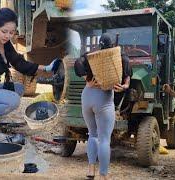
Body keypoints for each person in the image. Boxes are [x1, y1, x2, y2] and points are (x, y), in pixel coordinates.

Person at [74, 33, 130, 180]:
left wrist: (87, 80)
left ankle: (91, 170)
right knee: (104, 139)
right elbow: (126, 81)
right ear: (113, 45)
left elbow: (77, 63)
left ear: (99, 44)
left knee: (92, 134)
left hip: (87, 96)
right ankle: (103, 176)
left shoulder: (91, 55)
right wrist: (123, 87)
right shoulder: (120, 56)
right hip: (103, 98)